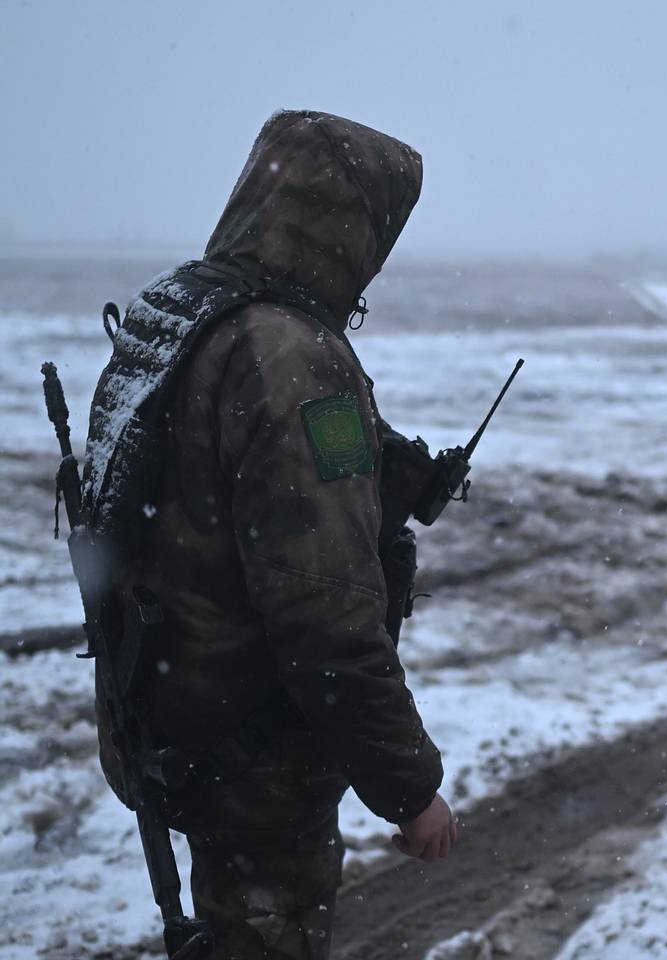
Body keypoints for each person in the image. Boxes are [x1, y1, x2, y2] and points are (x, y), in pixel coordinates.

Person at [84, 110, 455, 959]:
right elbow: (325, 619)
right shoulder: (293, 357)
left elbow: (195, 499)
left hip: (168, 725)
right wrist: (411, 792)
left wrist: (382, 469)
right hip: (252, 760)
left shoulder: (185, 313)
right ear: (351, 226)